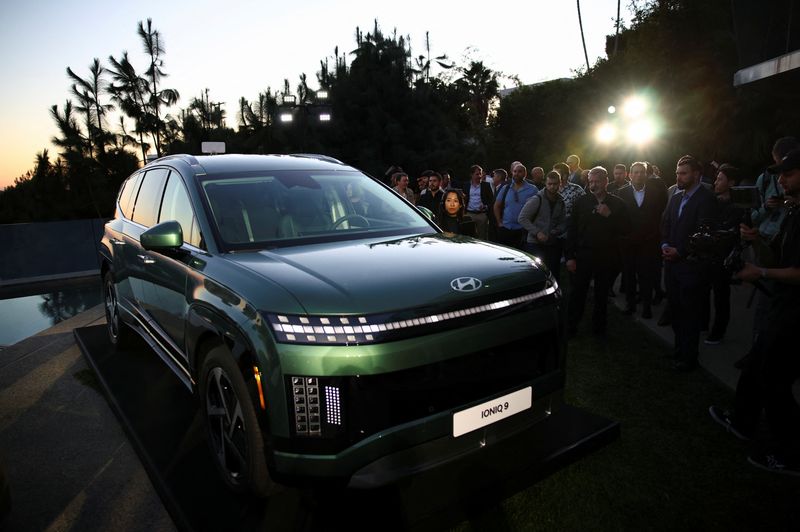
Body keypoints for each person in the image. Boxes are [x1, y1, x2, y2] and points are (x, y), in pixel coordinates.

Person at [709, 147, 800, 476]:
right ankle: (743, 422)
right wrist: (756, 238)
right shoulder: (792, 211)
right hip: (781, 306)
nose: (782, 182)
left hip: (793, 313)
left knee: (775, 380)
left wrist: (760, 274)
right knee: (754, 366)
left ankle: (791, 453)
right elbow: (777, 258)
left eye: (788, 175)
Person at [660, 155, 718, 371]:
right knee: (675, 311)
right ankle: (678, 351)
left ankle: (689, 358)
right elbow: (665, 223)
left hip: (692, 268)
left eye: (683, 173)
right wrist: (665, 245)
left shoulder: (706, 199)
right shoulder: (675, 197)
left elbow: (705, 235)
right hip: (671, 265)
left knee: (689, 314)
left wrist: (680, 252)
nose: (679, 177)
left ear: (696, 174)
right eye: (677, 173)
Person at [565, 166, 629, 337]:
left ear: (606, 181)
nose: (593, 185)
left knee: (602, 295)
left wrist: (610, 216)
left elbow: (626, 230)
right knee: (578, 292)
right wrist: (570, 257)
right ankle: (571, 326)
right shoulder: (581, 202)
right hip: (584, 255)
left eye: (597, 181)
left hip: (606, 256)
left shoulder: (617, 203)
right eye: (591, 181)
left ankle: (599, 328)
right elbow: (572, 230)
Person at [616, 161, 668, 319]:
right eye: (636, 172)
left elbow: (659, 216)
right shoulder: (622, 193)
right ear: (630, 175)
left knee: (646, 276)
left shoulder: (656, 192)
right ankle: (630, 304)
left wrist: (652, 236)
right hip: (628, 243)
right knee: (630, 275)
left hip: (649, 242)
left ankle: (647, 307)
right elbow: (621, 218)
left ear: (647, 174)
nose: (639, 175)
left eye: (642, 172)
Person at [704, 164, 745, 344]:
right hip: (707, 253)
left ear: (732, 182)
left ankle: (718, 330)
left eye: (720, 179)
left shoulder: (738, 206)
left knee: (721, 294)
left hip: (724, 256)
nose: (716, 182)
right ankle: (702, 323)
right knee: (703, 290)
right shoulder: (712, 200)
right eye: (716, 178)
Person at [519, 171, 566, 282]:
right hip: (534, 243)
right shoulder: (537, 199)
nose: (552, 187)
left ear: (560, 184)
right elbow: (522, 218)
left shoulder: (561, 201)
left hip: (551, 242)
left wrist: (556, 230)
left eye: (555, 184)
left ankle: (552, 295)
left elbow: (563, 222)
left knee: (553, 272)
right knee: (536, 273)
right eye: (550, 184)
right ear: (546, 183)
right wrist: (537, 232)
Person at [493, 163, 538, 250]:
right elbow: (496, 206)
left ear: (525, 174)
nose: (516, 174)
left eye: (520, 172)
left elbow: (537, 209)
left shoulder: (533, 190)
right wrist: (499, 222)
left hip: (523, 231)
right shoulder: (505, 188)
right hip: (506, 228)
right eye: (515, 171)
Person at [461, 164, 494, 240]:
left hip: (482, 215)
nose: (479, 176)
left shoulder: (486, 185)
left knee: (482, 237)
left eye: (480, 174)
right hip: (469, 214)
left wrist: (485, 206)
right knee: (469, 236)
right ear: (471, 175)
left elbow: (492, 200)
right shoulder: (466, 185)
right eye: (477, 174)